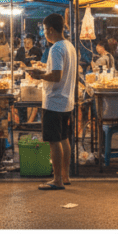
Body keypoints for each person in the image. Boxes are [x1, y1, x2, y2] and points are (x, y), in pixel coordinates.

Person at [28, 13, 76, 190]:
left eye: (43, 29)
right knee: (64, 138)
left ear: (51, 29)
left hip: (54, 101)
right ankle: (65, 176)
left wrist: (39, 74)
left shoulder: (56, 48)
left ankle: (57, 180)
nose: (43, 33)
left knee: (54, 141)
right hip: (66, 101)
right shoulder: (69, 46)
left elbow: (56, 75)